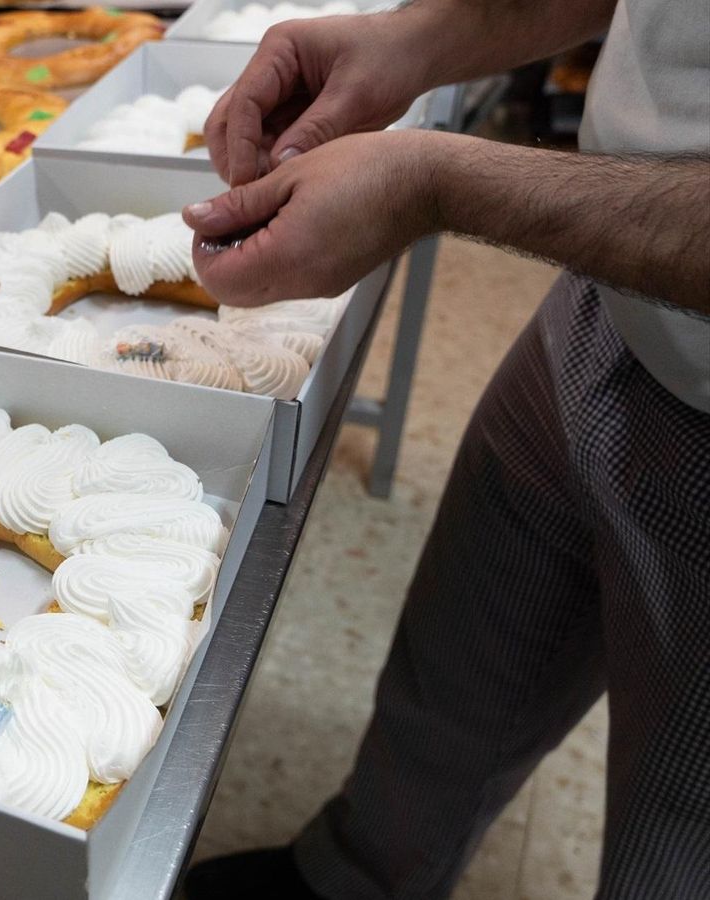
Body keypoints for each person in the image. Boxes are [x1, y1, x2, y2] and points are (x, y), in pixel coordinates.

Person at [177, 0, 710, 897]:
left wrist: (436, 185)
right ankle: (356, 875)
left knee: (674, 841)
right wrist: (412, 41)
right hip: (607, 295)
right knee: (463, 665)